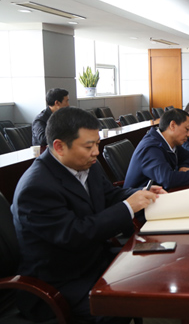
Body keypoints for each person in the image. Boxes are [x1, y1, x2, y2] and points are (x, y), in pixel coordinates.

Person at [12, 107, 167, 323]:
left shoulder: (87, 164)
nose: (96, 152)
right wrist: (128, 207)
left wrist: (141, 194)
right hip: (60, 279)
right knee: (123, 302)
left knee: (158, 263)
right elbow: (75, 234)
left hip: (93, 259)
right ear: (59, 147)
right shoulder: (36, 187)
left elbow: (109, 194)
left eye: (97, 143)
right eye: (89, 146)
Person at [124, 108, 189, 189]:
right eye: (187, 129)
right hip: (140, 202)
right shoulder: (151, 147)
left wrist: (184, 167)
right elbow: (167, 179)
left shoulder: (171, 143)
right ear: (173, 125)